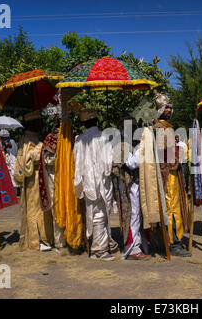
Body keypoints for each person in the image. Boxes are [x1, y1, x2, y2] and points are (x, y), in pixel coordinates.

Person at [73, 108, 118, 260]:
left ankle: (104, 244)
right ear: (96, 121)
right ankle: (99, 250)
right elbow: (107, 164)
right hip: (101, 182)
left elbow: (77, 163)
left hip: (86, 182)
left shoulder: (79, 139)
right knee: (100, 214)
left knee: (92, 212)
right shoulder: (102, 138)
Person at [153, 93, 190, 257]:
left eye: (170, 107)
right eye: (166, 107)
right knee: (170, 206)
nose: (169, 110)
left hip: (171, 174)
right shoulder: (159, 128)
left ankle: (175, 238)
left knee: (173, 205)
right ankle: (172, 241)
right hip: (167, 175)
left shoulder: (165, 127)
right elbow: (165, 153)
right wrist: (181, 151)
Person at [14, 110, 54, 251]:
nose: (41, 123)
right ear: (32, 123)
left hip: (41, 176)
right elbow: (27, 159)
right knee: (36, 209)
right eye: (38, 121)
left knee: (43, 208)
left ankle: (46, 237)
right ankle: (37, 240)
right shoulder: (27, 138)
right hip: (33, 179)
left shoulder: (36, 136)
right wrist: (41, 149)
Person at [112, 118, 149, 260]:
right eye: (132, 127)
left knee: (138, 215)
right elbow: (132, 163)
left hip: (135, 184)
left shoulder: (130, 144)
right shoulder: (122, 145)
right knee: (132, 214)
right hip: (129, 185)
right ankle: (132, 248)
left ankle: (138, 244)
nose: (134, 129)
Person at [40, 122, 66, 250]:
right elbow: (47, 160)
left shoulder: (67, 137)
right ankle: (59, 241)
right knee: (57, 208)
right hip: (54, 177)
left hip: (66, 177)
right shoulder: (51, 138)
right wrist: (62, 158)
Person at [0, 129, 19, 196]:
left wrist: (6, 145)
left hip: (12, 160)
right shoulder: (1, 143)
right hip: (6, 162)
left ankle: (15, 192)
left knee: (13, 175)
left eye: (4, 138)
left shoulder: (12, 142)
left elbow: (10, 147)